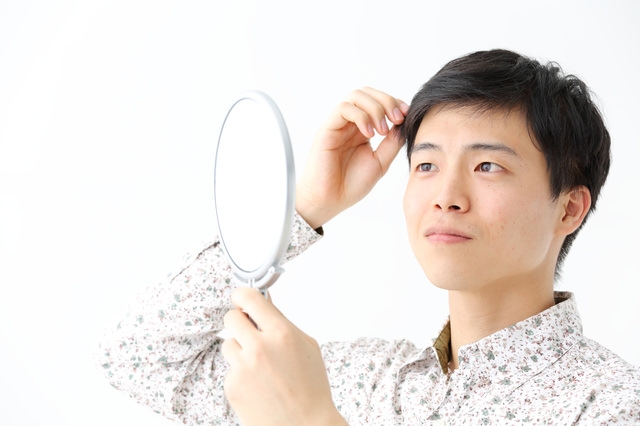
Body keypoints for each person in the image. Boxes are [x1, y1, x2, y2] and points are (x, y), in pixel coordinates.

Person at [96, 49, 640, 425]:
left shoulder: (611, 406)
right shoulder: (362, 380)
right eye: (426, 165)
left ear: (569, 207)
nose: (446, 196)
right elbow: (141, 358)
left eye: (487, 167)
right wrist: (305, 208)